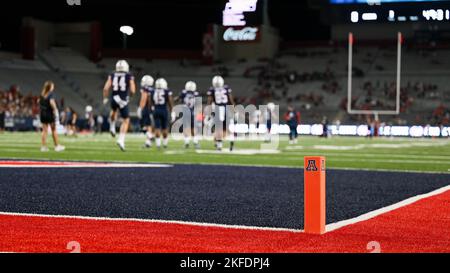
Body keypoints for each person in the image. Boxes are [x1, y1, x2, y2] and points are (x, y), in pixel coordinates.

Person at [102, 60, 136, 151]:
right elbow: (133, 90)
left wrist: (105, 98)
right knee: (126, 120)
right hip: (122, 100)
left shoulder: (112, 74)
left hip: (114, 98)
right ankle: (121, 139)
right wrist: (130, 96)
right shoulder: (129, 75)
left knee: (113, 110)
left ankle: (112, 127)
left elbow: (105, 88)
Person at [207, 76, 236, 151]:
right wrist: (234, 109)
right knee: (228, 127)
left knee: (219, 128)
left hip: (218, 109)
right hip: (226, 109)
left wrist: (209, 111)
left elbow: (209, 102)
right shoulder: (226, 88)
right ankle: (232, 143)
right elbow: (230, 100)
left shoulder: (212, 89)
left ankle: (219, 146)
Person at [38, 81, 65, 152]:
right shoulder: (51, 94)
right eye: (52, 86)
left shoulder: (42, 94)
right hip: (49, 113)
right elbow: (51, 102)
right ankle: (57, 146)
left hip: (43, 113)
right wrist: (55, 110)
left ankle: (43, 147)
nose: (53, 87)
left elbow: (38, 102)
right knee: (54, 130)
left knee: (44, 131)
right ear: (50, 87)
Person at [149, 78, 174, 149]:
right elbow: (170, 102)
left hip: (156, 110)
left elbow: (150, 102)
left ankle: (158, 144)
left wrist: (151, 110)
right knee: (165, 127)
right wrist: (172, 111)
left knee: (157, 127)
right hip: (163, 110)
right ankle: (165, 144)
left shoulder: (153, 91)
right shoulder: (167, 91)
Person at [179, 81, 201, 149]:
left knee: (186, 127)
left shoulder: (184, 93)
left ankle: (186, 142)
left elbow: (180, 100)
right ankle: (195, 142)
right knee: (193, 128)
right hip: (193, 112)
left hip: (186, 112)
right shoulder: (196, 93)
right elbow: (198, 104)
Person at [137, 75, 155, 148]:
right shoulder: (153, 89)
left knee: (143, 126)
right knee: (149, 126)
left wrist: (140, 108)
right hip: (153, 108)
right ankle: (148, 142)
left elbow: (144, 99)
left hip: (146, 108)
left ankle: (150, 136)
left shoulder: (145, 89)